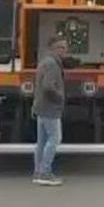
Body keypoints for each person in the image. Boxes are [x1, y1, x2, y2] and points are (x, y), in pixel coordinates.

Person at [32, 35, 68, 186]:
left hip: (41, 107)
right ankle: (45, 172)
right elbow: (48, 86)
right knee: (55, 138)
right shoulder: (53, 64)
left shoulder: (44, 62)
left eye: (65, 48)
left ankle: (38, 172)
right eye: (62, 47)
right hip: (50, 108)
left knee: (41, 142)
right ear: (54, 49)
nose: (65, 51)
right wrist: (60, 97)